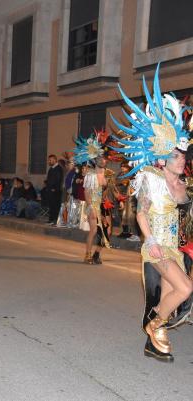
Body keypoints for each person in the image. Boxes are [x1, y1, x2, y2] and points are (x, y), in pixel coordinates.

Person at [113, 65, 193, 362]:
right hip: (156, 247)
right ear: (163, 158)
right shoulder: (151, 179)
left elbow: (187, 212)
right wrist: (150, 240)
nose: (182, 159)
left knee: (171, 298)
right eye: (176, 156)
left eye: (184, 155)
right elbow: (141, 214)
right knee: (185, 288)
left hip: (172, 246)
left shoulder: (181, 185)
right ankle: (154, 326)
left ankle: (155, 340)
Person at [73, 133, 110, 265]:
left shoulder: (106, 174)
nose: (103, 160)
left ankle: (97, 254)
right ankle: (87, 255)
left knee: (107, 232)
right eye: (101, 158)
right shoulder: (91, 174)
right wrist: (90, 207)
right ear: (95, 160)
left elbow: (105, 191)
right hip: (92, 205)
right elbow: (87, 192)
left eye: (104, 158)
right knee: (94, 230)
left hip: (103, 205)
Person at [46, 154, 63, 225]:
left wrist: (54, 188)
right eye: (49, 160)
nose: (49, 161)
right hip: (50, 190)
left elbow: (58, 180)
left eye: (50, 160)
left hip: (55, 191)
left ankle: (55, 220)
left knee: (56, 206)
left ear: (55, 160)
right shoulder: (51, 168)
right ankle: (51, 219)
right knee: (51, 205)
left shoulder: (58, 168)